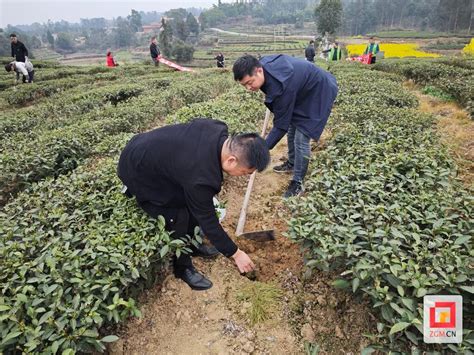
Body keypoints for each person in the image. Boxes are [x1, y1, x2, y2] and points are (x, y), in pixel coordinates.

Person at [118, 118, 270, 290]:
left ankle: (193, 245)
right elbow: (208, 221)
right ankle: (182, 268)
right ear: (231, 160)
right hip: (136, 169)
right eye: (244, 172)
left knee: (193, 203)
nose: (244, 176)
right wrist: (236, 254)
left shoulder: (218, 129)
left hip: (148, 152)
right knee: (178, 215)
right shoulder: (200, 177)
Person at [233, 54, 338, 198]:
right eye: (244, 85)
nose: (248, 88)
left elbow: (280, 125)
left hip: (319, 90)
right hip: (303, 90)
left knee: (301, 137)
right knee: (292, 128)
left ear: (259, 71)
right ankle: (293, 162)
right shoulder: (263, 67)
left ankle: (298, 182)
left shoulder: (281, 86)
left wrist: (261, 149)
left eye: (250, 82)